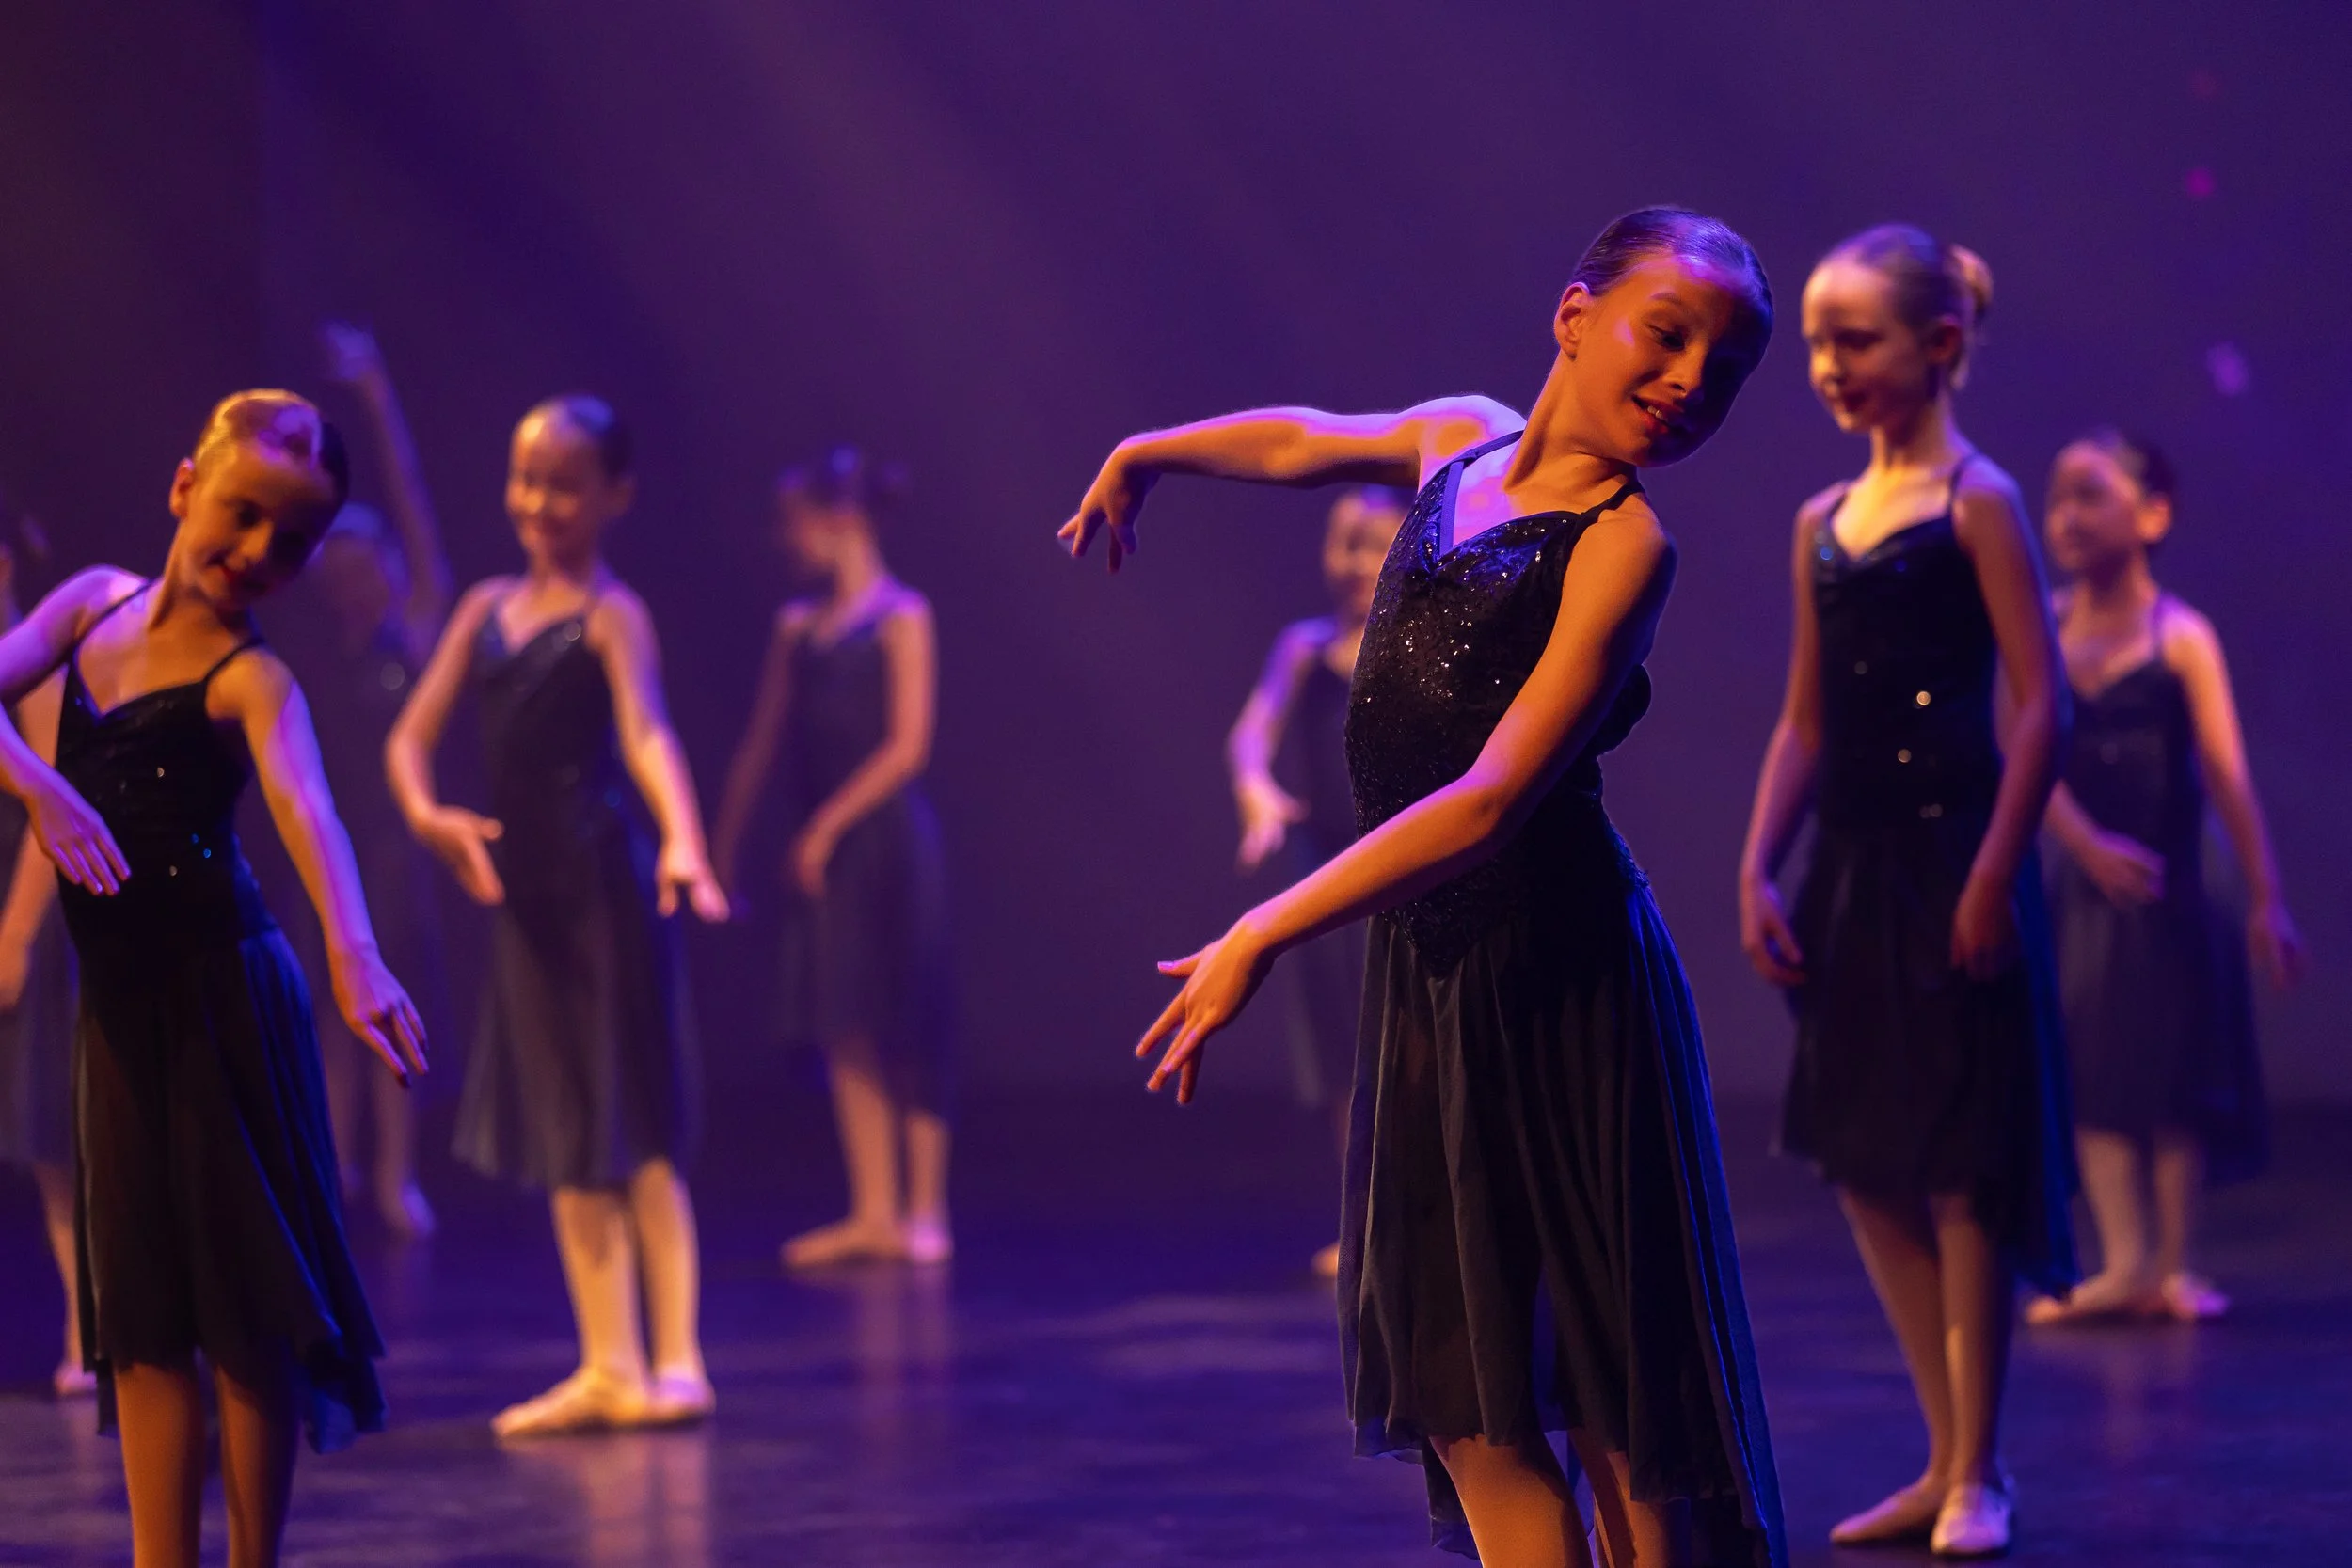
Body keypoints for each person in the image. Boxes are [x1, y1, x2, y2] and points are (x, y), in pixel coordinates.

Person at [1063, 207, 1786, 1568]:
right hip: (1434, 977)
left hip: (1561, 981)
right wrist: (1150, 450)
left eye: (1728, 367)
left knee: (1612, 1396)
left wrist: (1268, 923)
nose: (1693, 380)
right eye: (1667, 332)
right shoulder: (1457, 438)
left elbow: (1494, 795)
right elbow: (1298, 439)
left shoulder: (1625, 546)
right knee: (1471, 1394)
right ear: (1575, 315)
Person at [0, 390, 429, 1568]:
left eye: (292, 541)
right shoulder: (90, 604)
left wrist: (354, 950)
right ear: (186, 485)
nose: (259, 554)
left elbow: (311, 812)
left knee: (243, 1308)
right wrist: (33, 782)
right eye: (244, 515)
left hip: (225, 1004)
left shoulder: (253, 679)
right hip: (120, 1019)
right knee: (139, 1314)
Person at [1738, 226, 2072, 1558]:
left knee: (1960, 1166)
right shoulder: (1819, 520)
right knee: (1868, 1162)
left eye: (1854, 339)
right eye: (1816, 341)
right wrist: (1760, 857)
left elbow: (2040, 702)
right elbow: (1805, 718)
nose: (1828, 364)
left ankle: (1981, 1465)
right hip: (1854, 871)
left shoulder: (1976, 500)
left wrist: (1994, 866)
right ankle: (1941, 1455)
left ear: (1938, 346)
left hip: (1954, 863)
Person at [386, 393, 728, 1438]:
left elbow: (649, 733)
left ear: (614, 496)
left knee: (636, 1123)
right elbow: (408, 739)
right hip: (522, 896)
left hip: (601, 887)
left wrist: (683, 836)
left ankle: (676, 1359)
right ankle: (606, 1359)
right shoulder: (484, 607)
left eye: (564, 484)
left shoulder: (614, 615)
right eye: (525, 479)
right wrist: (428, 815)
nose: (538, 501)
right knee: (565, 1128)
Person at [2025, 430, 2304, 1325]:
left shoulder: (2181, 636)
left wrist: (2267, 897)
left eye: (2091, 494)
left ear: (2152, 514)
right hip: (2092, 890)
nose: (2067, 515)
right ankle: (2123, 1258)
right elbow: (2024, 755)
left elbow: (2226, 773)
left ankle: (2171, 1267)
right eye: (2059, 495)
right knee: (2096, 1072)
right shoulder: (2048, 626)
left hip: (2177, 882)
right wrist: (2085, 842)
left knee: (2177, 1076)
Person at [712, 449, 955, 1268]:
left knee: (908, 1020)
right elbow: (760, 742)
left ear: (839, 519)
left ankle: (925, 1212)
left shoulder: (902, 616)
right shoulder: (798, 629)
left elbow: (907, 746)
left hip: (885, 842)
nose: (785, 541)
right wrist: (722, 842)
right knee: (844, 1019)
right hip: (828, 853)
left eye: (794, 522)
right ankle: (873, 1209)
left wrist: (826, 826)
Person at [286, 319, 454, 1238]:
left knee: (389, 1008)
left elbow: (418, 510)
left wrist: (379, 401)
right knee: (323, 1010)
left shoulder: (418, 631)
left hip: (393, 850)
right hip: (327, 841)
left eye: (365, 568)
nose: (352, 584)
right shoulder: (318, 645)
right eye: (336, 570)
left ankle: (395, 1174)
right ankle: (338, 1167)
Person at [1222, 485, 1406, 1277]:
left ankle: (1420, 1223)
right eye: (1344, 544)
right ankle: (1365, 1219)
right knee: (1347, 1050)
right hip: (1326, 870)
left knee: (1407, 1047)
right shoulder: (1303, 648)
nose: (1355, 563)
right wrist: (1257, 792)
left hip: (1399, 867)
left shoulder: (1414, 644)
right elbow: (1250, 736)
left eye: (1373, 544)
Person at [0, 499, 86, 1397]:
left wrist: (15, 936)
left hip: (39, 922)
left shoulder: (32, 667)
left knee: (60, 1139)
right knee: (36, 1145)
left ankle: (88, 1330)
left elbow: (49, 809)